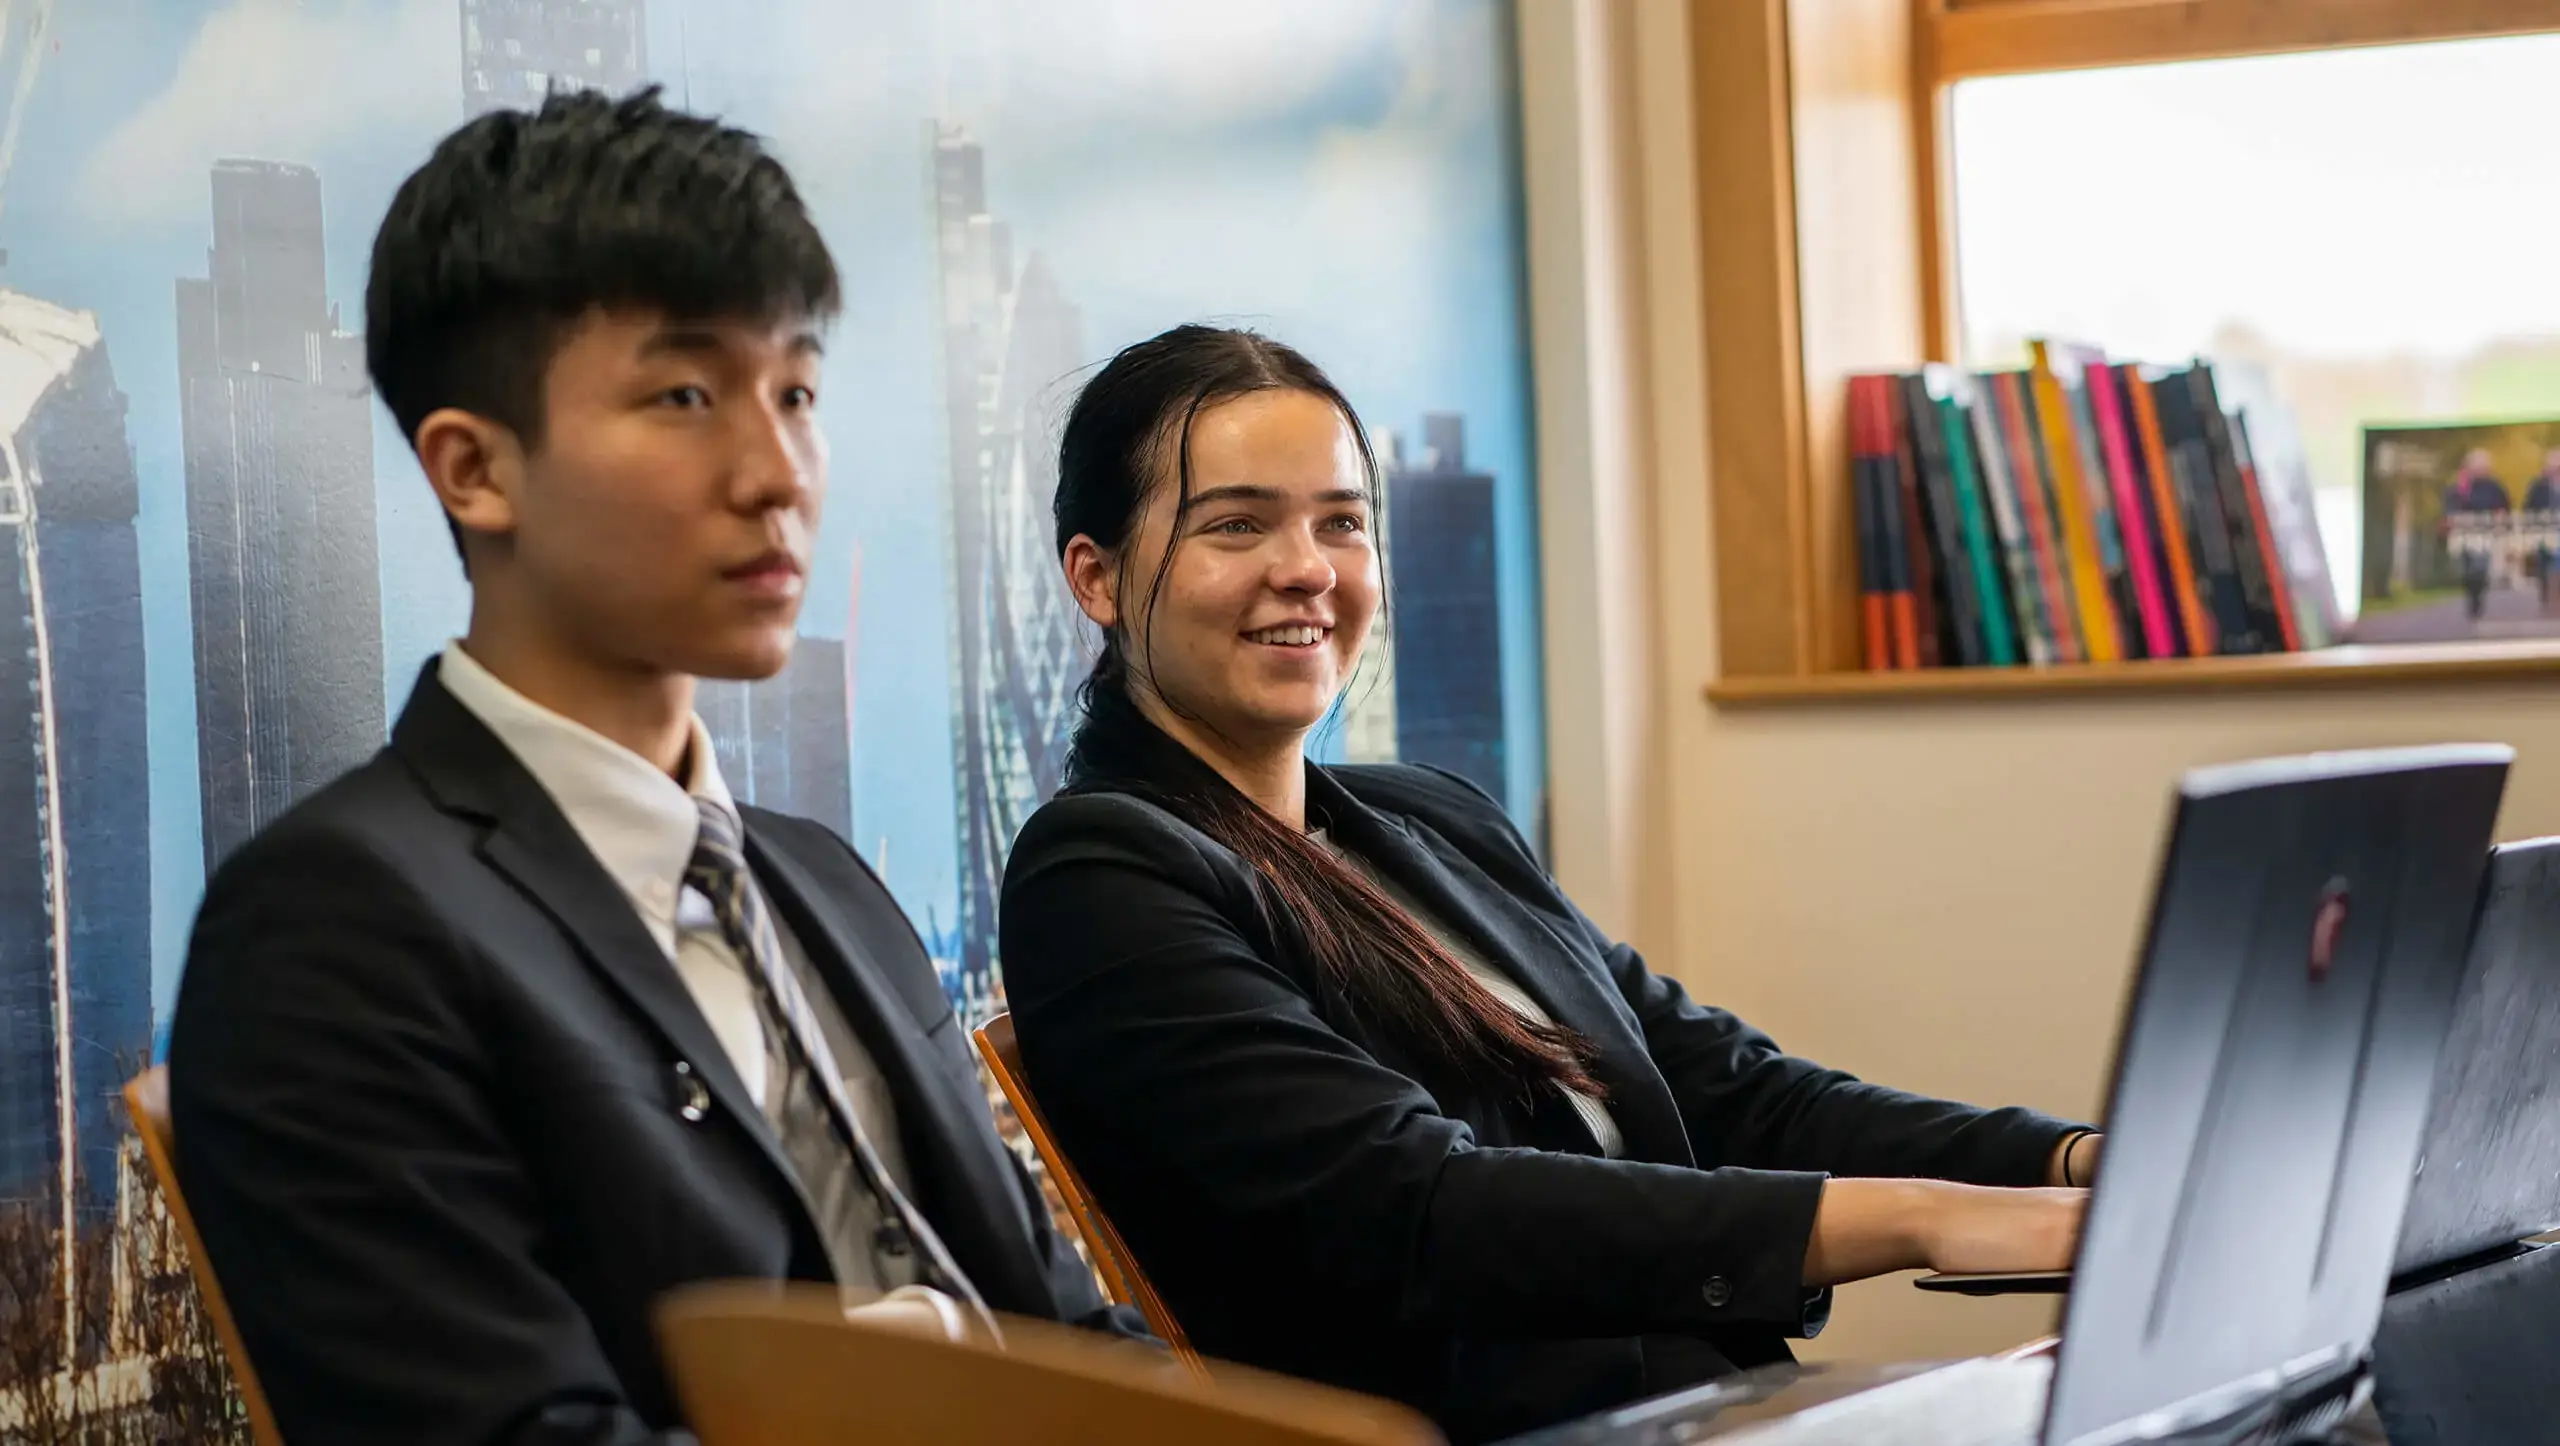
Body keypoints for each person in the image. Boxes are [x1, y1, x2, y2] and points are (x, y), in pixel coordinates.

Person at [168, 88, 1141, 1446]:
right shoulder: (334, 923)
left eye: (796, 389)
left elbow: (1071, 1341)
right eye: (685, 394)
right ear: (475, 469)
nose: (780, 469)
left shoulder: (825, 881)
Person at [998, 324, 2100, 1445]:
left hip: (1712, 1410)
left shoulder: (1431, 820)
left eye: (1341, 521)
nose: (1308, 568)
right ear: (1096, 575)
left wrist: (2071, 1162)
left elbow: (1730, 1091)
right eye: (1237, 524)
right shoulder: (1100, 874)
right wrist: (1919, 1222)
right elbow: (1420, 1210)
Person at [2441, 448, 2513, 621]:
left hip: (2484, 535)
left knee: (2480, 568)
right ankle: (2472, 598)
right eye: (2477, 465)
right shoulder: (2460, 486)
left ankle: (2477, 600)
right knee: (2468, 570)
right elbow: (2450, 508)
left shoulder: (2494, 487)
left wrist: (2500, 520)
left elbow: (2504, 507)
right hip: (2463, 535)